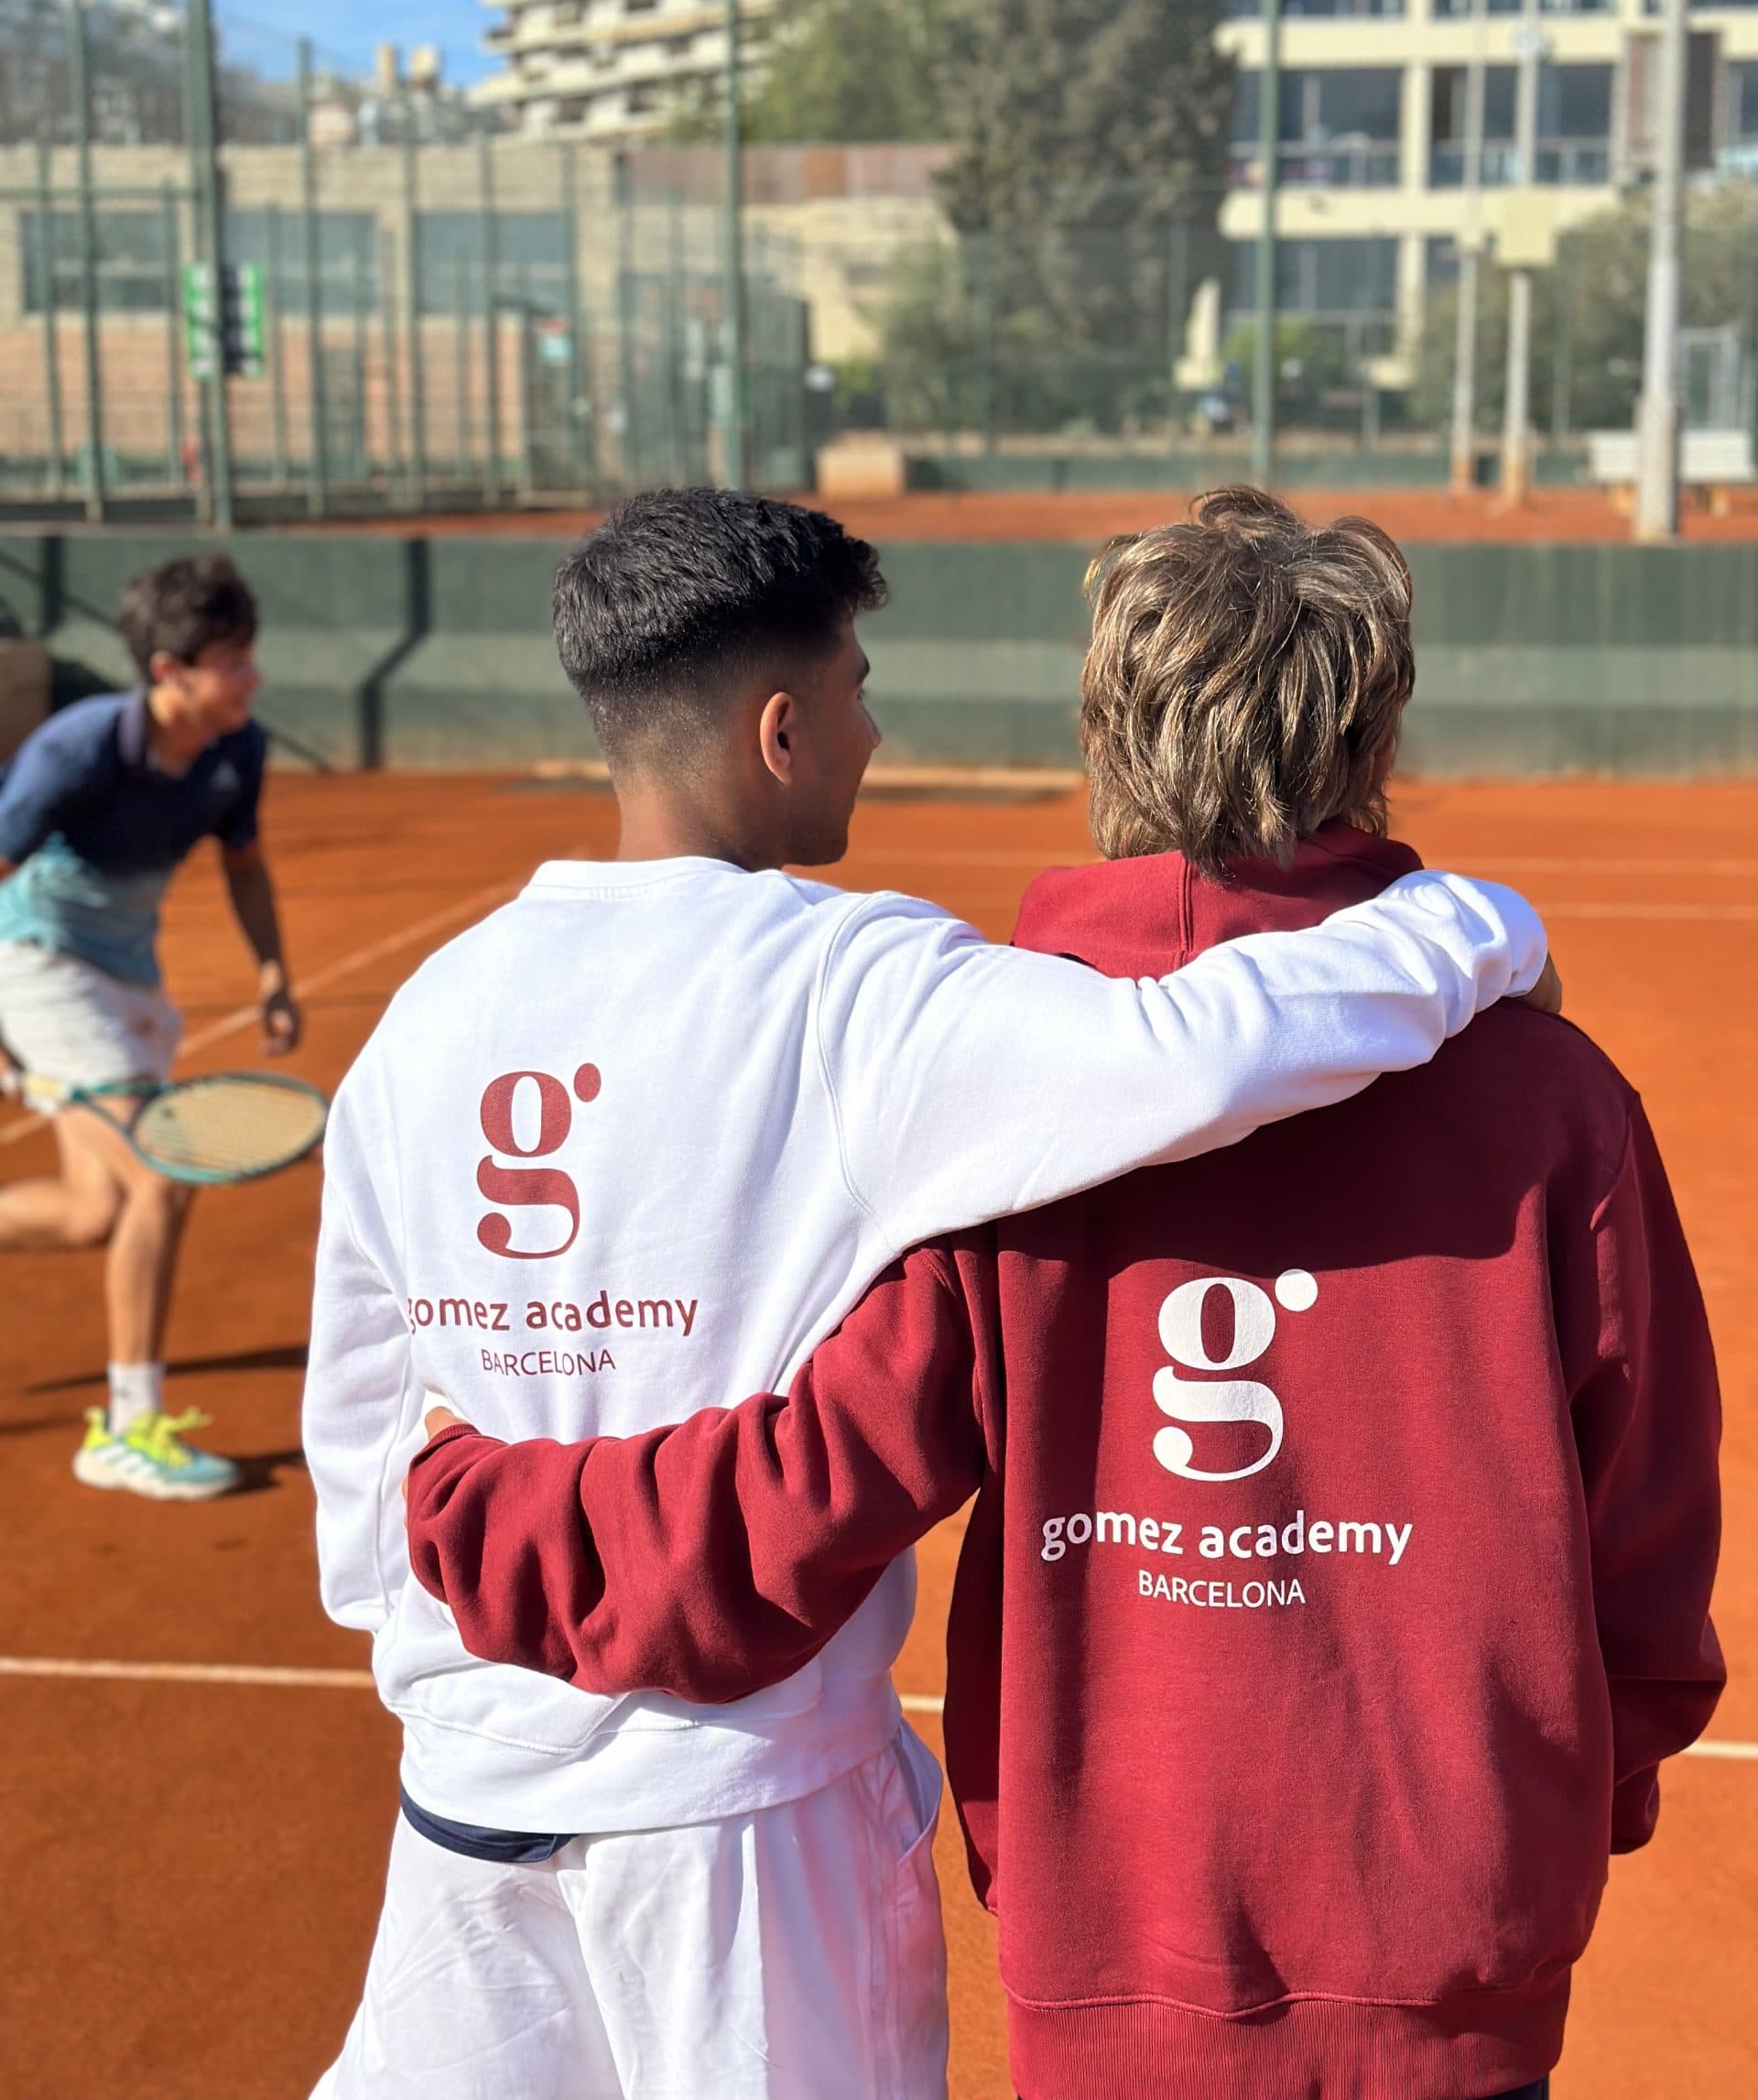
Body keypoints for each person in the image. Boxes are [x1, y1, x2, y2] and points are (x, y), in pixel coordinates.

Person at [407, 491, 1721, 2100]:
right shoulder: (1554, 1099)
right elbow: (1649, 1544)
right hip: (1458, 1971)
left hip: (1117, 1954)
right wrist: (1529, 1832)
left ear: (1109, 738)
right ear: (1373, 732)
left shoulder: (1003, 1113)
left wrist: (474, 1500)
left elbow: (802, 1495)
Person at [0, 553, 299, 1501]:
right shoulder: (78, 748)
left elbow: (244, 865)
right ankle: (128, 1429)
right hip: (39, 964)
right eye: (232, 659)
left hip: (131, 973)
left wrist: (272, 971)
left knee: (97, 1212)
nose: (251, 677)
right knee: (163, 1174)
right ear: (170, 671)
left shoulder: (234, 749)